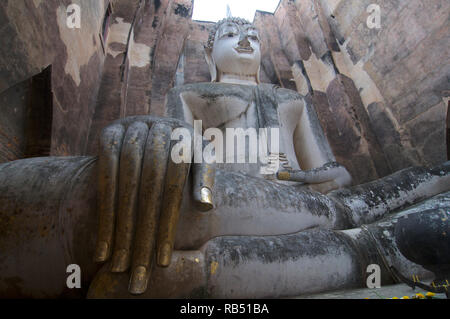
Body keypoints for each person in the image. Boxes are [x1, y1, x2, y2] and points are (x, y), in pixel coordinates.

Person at [0, 18, 448, 298]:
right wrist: (158, 132)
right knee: (205, 202)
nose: (245, 41)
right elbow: (178, 147)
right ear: (208, 50)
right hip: (219, 196)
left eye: (253, 34)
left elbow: (338, 175)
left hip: (302, 201)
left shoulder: (289, 99)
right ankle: (382, 243)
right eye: (230, 34)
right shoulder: (193, 93)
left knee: (378, 196)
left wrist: (308, 178)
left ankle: (387, 230)